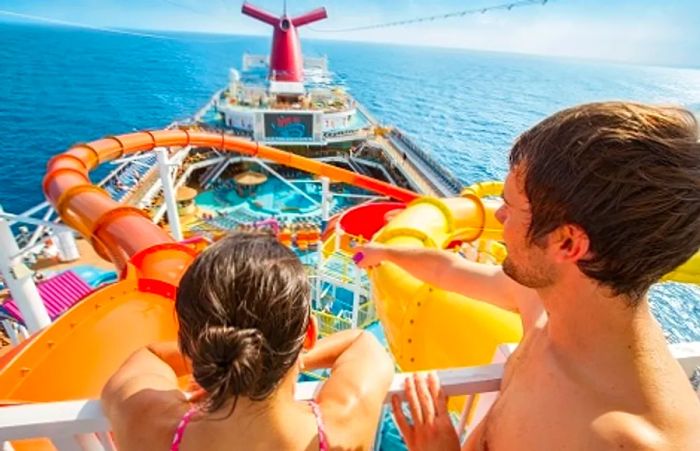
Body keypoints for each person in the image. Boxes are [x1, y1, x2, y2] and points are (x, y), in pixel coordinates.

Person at [355, 102, 700, 450]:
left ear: (567, 243)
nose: (499, 217)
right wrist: (386, 252)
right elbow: (449, 269)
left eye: (510, 205)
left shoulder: (618, 440)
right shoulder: (546, 305)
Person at [102, 232, 394, 450]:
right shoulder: (343, 426)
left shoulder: (145, 423)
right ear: (309, 334)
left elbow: (150, 356)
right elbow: (362, 343)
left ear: (189, 345)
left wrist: (220, 361)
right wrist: (275, 355)